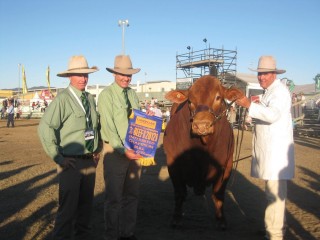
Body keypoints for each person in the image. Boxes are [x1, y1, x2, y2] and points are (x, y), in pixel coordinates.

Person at [38, 55, 101, 240]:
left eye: (86, 75)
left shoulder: (89, 98)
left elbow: (92, 126)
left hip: (89, 161)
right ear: (69, 77)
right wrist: (58, 157)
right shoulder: (63, 99)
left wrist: (96, 149)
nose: (83, 78)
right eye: (79, 75)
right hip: (71, 163)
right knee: (67, 211)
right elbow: (45, 127)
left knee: (86, 209)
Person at [236, 56, 294, 240]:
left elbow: (272, 115)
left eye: (265, 74)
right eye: (260, 74)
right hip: (271, 151)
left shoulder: (280, 92)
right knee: (272, 194)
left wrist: (248, 105)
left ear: (274, 74)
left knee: (274, 196)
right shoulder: (269, 91)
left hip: (276, 154)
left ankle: (275, 234)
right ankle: (275, 229)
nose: (261, 77)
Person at [98, 55, 143, 240]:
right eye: (122, 74)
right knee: (114, 197)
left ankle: (128, 232)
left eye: (129, 75)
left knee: (132, 195)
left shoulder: (132, 94)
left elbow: (139, 121)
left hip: (134, 151)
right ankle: (112, 235)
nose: (126, 78)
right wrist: (124, 150)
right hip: (115, 151)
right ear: (115, 73)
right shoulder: (106, 95)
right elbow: (108, 127)